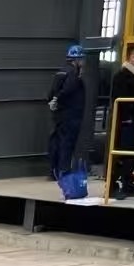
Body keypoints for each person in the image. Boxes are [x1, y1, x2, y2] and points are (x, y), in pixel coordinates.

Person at [108, 43, 134, 199]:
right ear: (132, 56)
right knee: (122, 154)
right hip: (126, 122)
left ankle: (128, 184)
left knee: (133, 153)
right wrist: (127, 118)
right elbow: (120, 100)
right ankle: (112, 186)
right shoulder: (122, 76)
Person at [46, 44, 85, 182]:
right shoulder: (73, 74)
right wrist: (58, 99)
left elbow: (50, 93)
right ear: (77, 60)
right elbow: (68, 90)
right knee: (67, 143)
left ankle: (54, 170)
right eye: (82, 59)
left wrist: (53, 101)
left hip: (59, 115)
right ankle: (64, 170)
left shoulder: (60, 72)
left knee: (56, 141)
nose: (83, 62)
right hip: (71, 115)